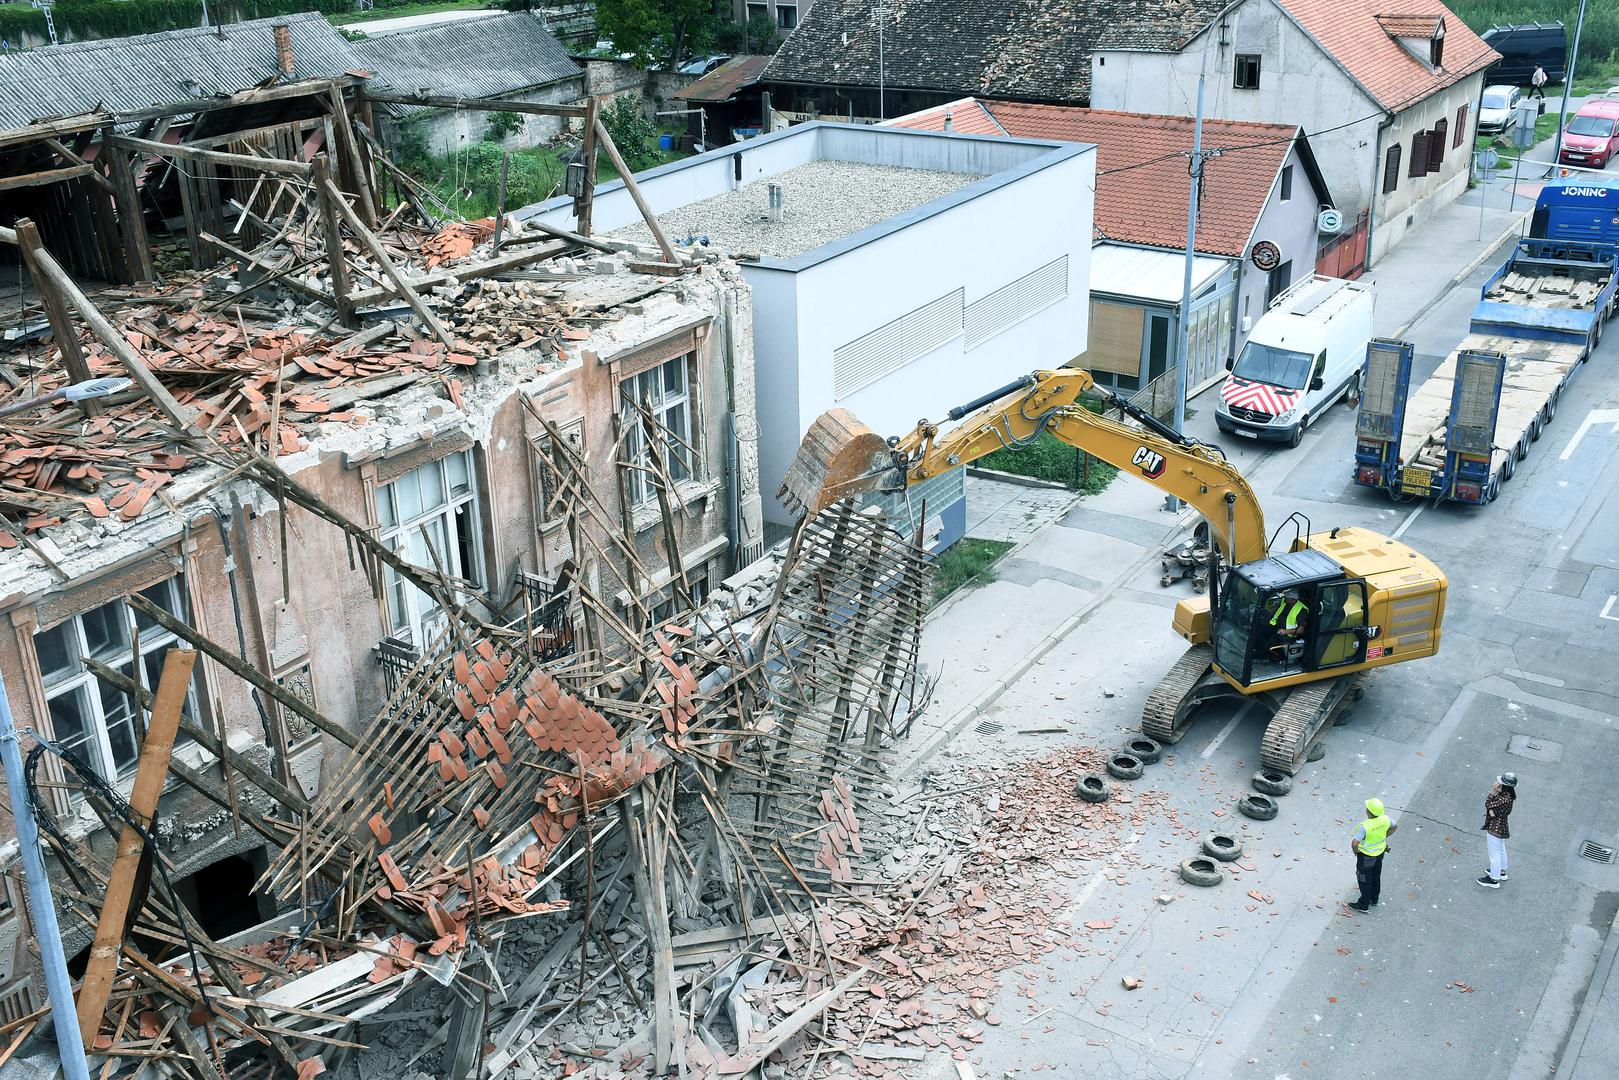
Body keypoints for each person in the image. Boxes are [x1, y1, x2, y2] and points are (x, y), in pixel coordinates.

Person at [1349, 797, 1397, 911]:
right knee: (1376, 876)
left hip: (1366, 856)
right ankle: (1374, 899)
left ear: (1368, 812)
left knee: (1364, 879)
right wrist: (1384, 836)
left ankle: (1363, 905)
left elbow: (1355, 843)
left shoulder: (1365, 826)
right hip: (1380, 853)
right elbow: (1394, 826)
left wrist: (1356, 851)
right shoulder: (1385, 819)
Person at [1478, 773, 1517, 888]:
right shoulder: (1508, 795)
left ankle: (1494, 879)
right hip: (1502, 826)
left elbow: (1488, 804)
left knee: (1494, 853)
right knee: (1500, 849)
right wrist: (1492, 811)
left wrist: (1493, 791)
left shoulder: (1504, 798)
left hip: (1495, 827)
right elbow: (1492, 809)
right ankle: (1501, 871)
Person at [1268, 588, 1309, 660]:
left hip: (1288, 636)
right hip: (1275, 627)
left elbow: (1300, 630)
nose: (1284, 598)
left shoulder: (1301, 610)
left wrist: (1285, 631)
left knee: (1268, 644)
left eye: (1286, 597)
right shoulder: (1285, 602)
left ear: (1292, 599)